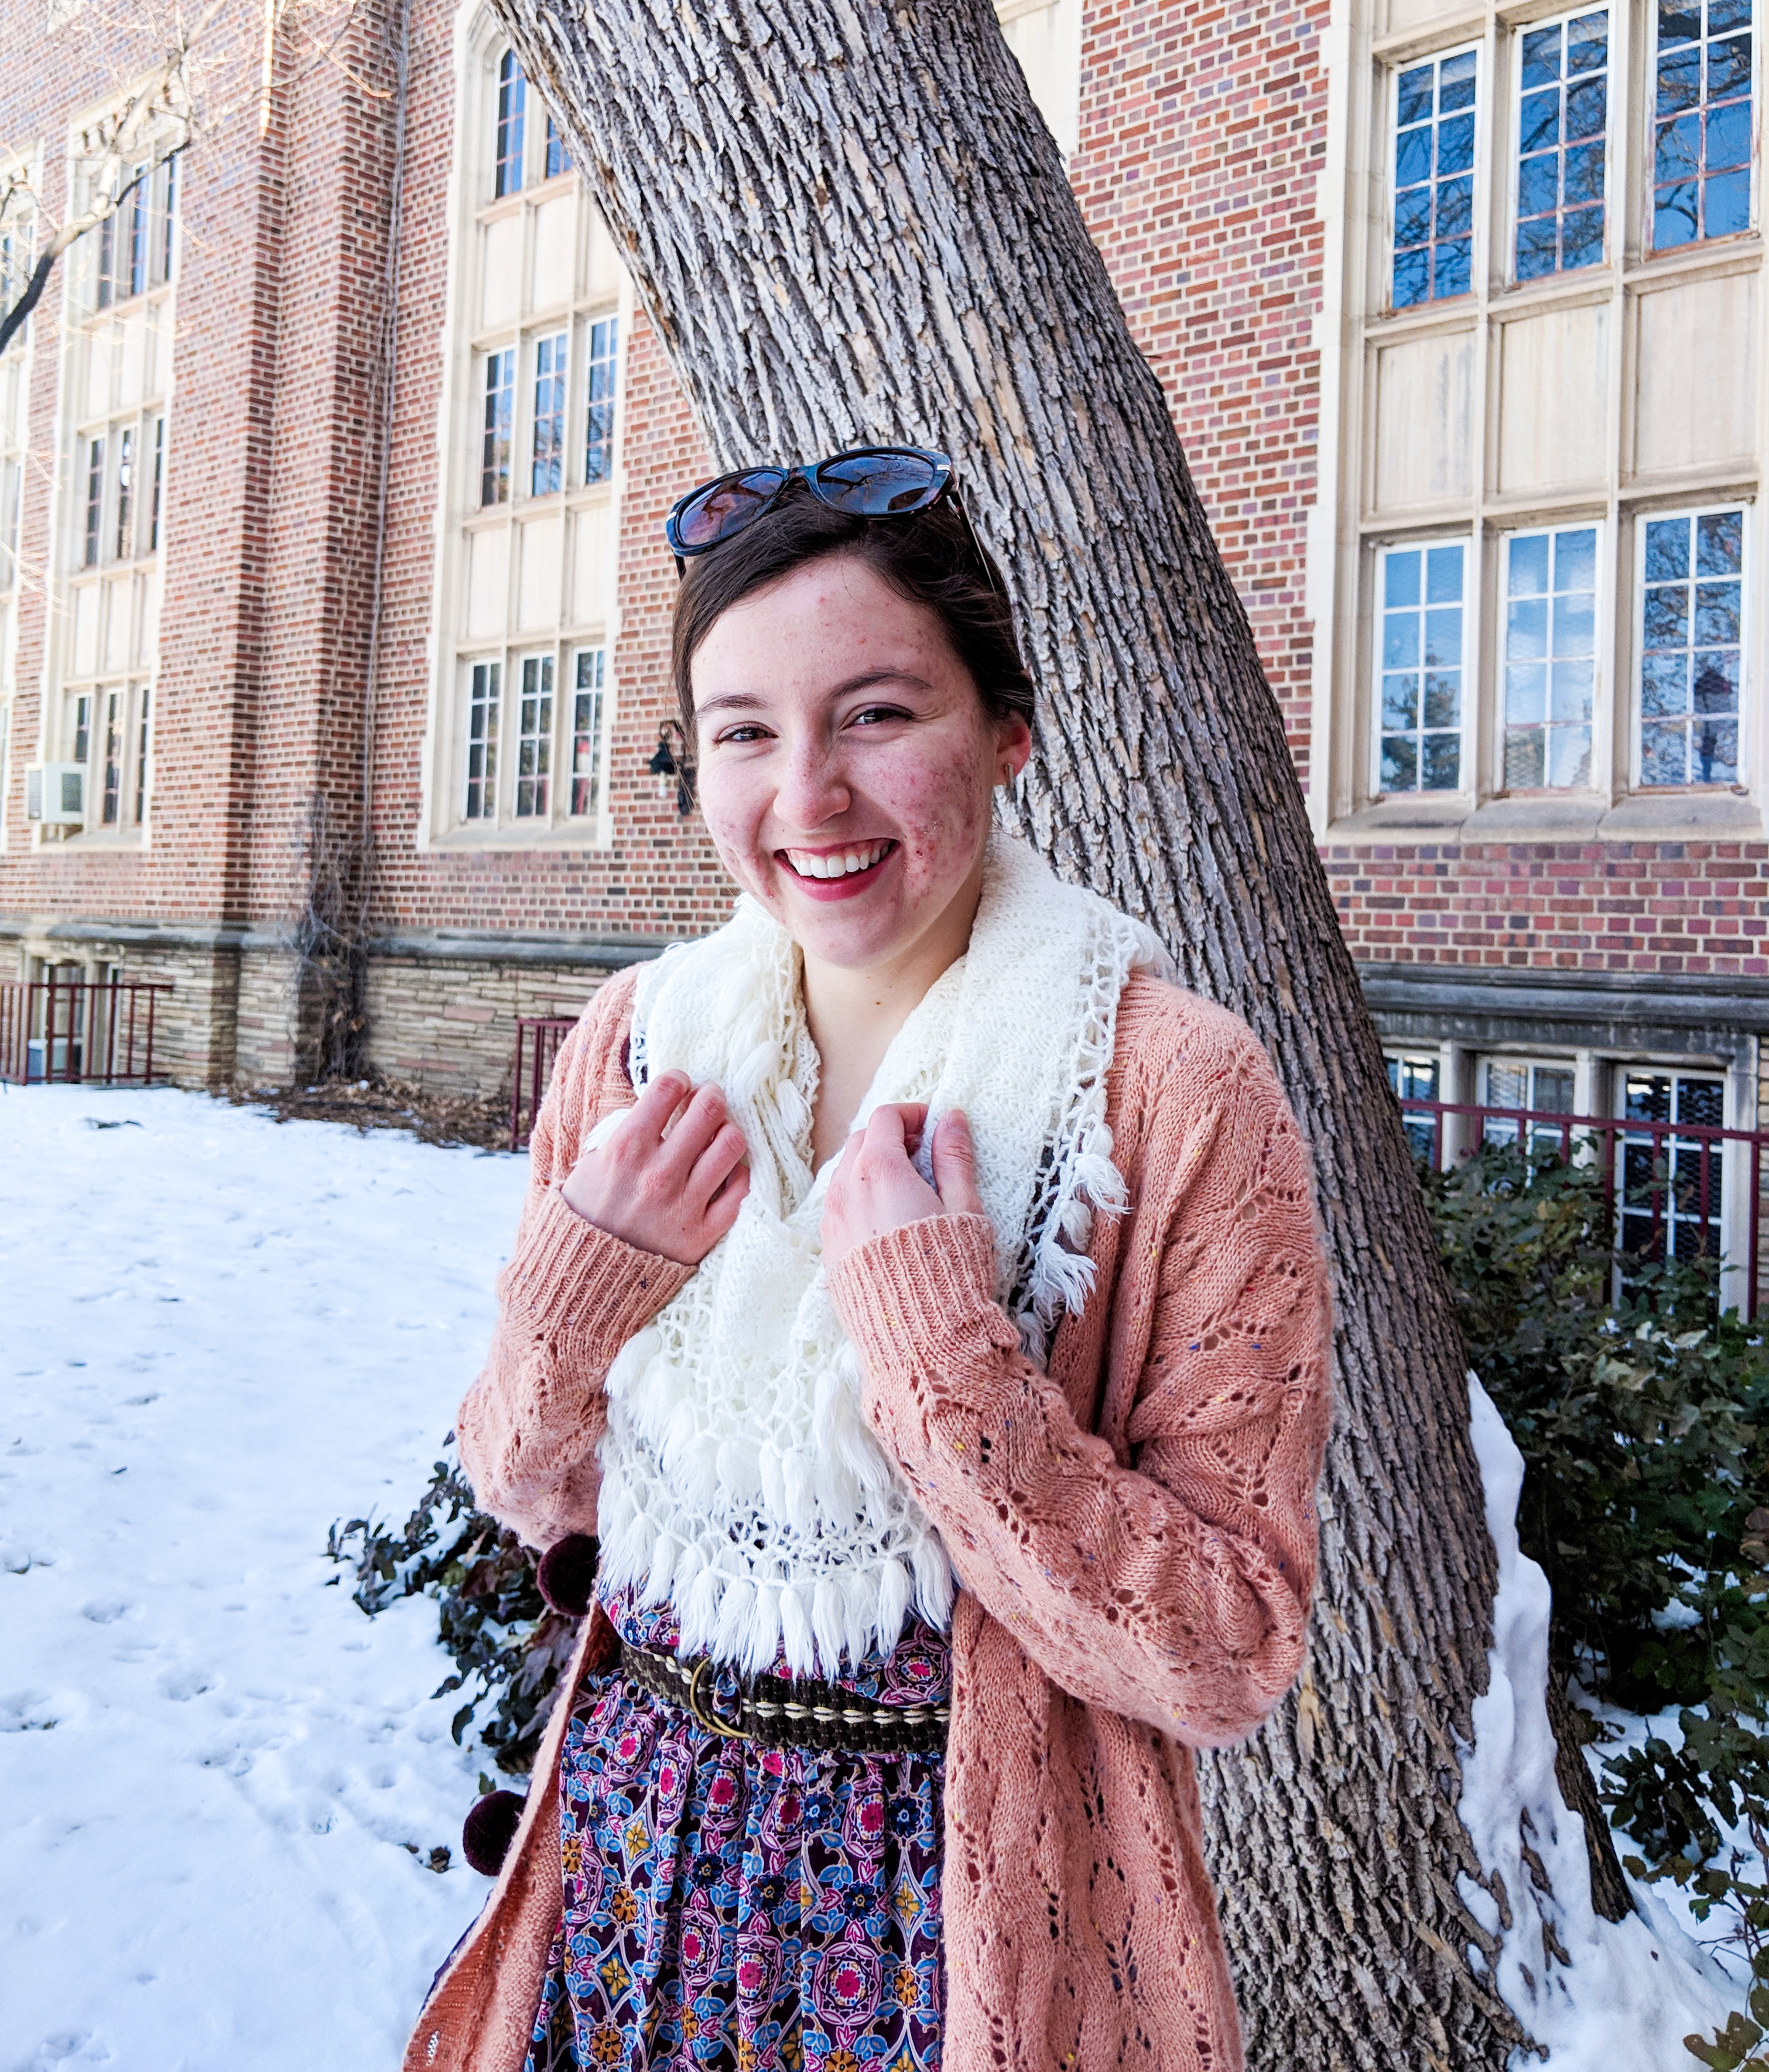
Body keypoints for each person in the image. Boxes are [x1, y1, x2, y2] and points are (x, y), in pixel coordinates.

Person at [405, 446, 1332, 2072]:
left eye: (879, 715)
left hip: (952, 1946)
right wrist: (570, 1303)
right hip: (627, 1887)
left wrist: (945, 1364)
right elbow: (534, 1485)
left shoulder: (1169, 1090)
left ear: (1007, 730)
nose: (807, 797)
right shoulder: (642, 1044)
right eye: (745, 732)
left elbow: (1227, 1648)